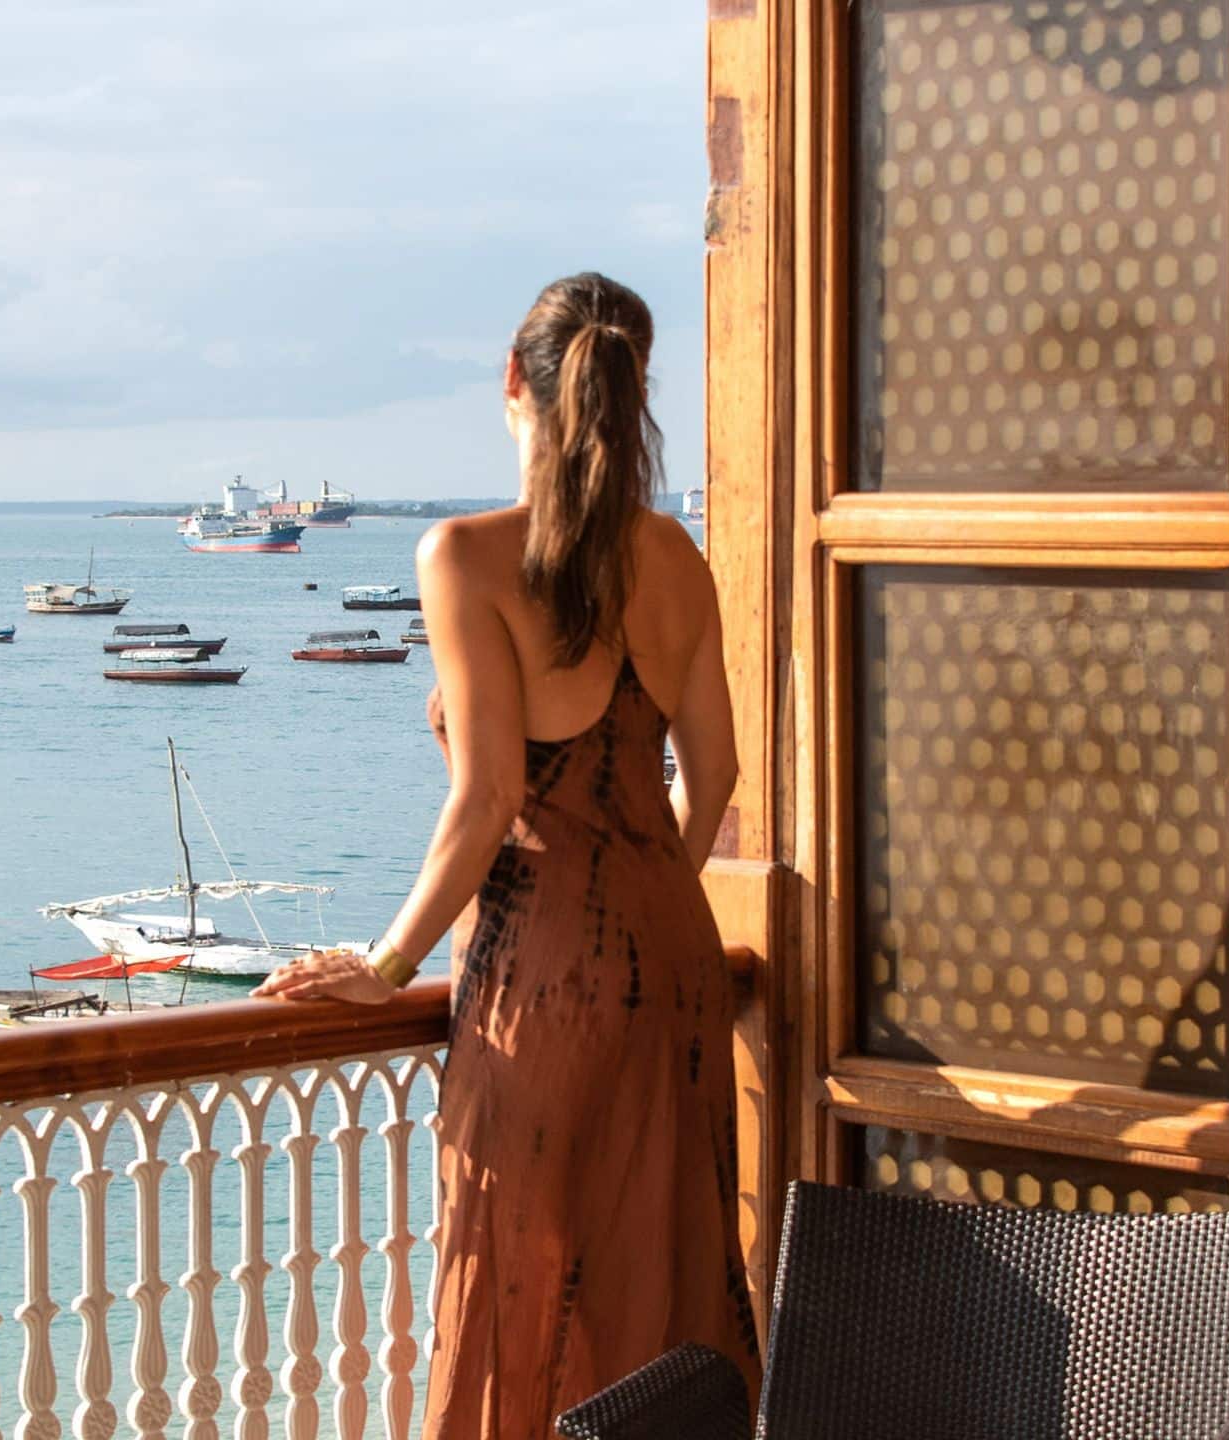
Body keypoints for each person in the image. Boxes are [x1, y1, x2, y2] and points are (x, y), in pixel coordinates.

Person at [254, 273, 751, 1437]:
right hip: (673, 962)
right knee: (662, 1275)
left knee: (519, 1281)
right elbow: (717, 776)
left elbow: (486, 802)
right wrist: (648, 904)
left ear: (512, 384)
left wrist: (382, 964)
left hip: (545, 975)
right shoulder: (674, 556)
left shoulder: (465, 556)